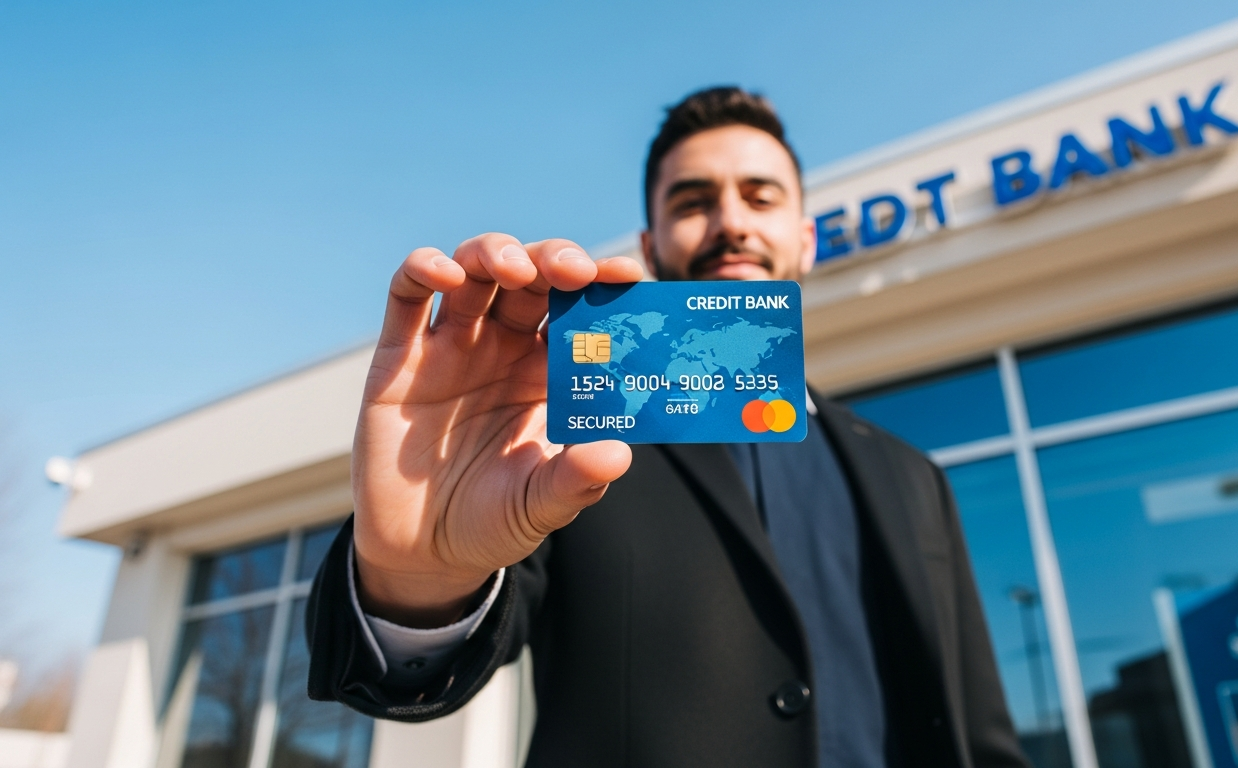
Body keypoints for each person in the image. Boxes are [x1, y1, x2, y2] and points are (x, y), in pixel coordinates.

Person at [307, 86, 1030, 768]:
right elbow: (416, 677)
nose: (732, 222)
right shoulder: (564, 433)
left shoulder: (911, 474)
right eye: (694, 200)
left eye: (760, 196)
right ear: (650, 249)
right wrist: (417, 581)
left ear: (806, 240)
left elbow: (979, 731)